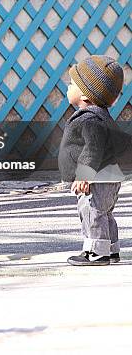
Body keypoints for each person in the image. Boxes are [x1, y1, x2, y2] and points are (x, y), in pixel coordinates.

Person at [58, 55, 130, 266]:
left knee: (92, 212)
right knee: (105, 213)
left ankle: (96, 253)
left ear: (85, 94)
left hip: (96, 179)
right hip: (110, 176)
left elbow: (93, 149)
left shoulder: (89, 120)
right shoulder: (102, 117)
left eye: (72, 84)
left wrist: (84, 176)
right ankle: (111, 249)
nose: (68, 87)